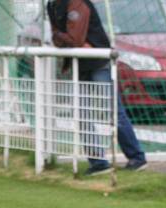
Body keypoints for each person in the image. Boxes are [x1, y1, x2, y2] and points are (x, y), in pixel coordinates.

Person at [47, 0, 148, 175]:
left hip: (99, 62)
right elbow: (60, 38)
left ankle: (137, 157)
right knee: (81, 113)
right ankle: (99, 163)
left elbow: (74, 39)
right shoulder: (52, 5)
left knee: (113, 112)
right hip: (80, 64)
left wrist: (63, 38)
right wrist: (64, 38)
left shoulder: (77, 3)